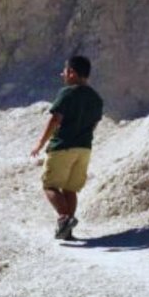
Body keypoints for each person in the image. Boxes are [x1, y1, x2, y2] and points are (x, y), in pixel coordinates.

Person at [30, 55, 104, 240]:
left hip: (63, 146)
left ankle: (65, 219)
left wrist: (40, 143)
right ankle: (67, 232)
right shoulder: (96, 98)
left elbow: (55, 119)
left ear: (72, 73)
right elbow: (94, 125)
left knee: (50, 186)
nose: (62, 74)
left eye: (65, 71)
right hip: (84, 149)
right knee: (70, 189)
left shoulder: (67, 92)